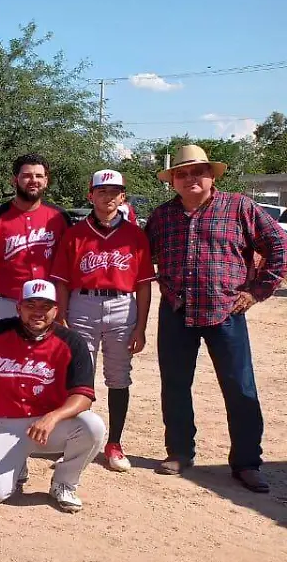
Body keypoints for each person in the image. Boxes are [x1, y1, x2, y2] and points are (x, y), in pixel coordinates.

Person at [145, 144, 287, 493]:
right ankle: (179, 452)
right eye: (182, 173)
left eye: (198, 171)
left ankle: (247, 462)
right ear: (173, 181)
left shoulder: (239, 207)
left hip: (225, 312)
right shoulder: (162, 216)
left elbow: (279, 246)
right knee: (175, 386)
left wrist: (257, 291)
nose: (190, 178)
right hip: (176, 310)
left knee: (240, 387)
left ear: (211, 176)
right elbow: (140, 257)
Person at [50, 169, 154, 473]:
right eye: (101, 191)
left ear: (123, 197)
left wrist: (141, 326)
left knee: (119, 376)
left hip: (122, 305)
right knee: (80, 375)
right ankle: (74, 443)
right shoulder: (75, 234)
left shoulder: (135, 235)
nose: (108, 197)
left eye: (114, 192)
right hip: (83, 304)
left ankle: (115, 443)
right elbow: (62, 282)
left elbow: (144, 285)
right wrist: (62, 317)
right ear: (90, 195)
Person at [0, 279, 105, 513]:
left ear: (56, 310)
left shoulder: (71, 341)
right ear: (18, 308)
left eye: (45, 306)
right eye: (31, 305)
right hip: (4, 425)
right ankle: (18, 465)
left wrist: (53, 417)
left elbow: (83, 395)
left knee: (92, 426)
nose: (38, 312)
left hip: (47, 427)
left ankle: (64, 483)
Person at [0, 153, 71, 322]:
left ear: (46, 181)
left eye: (39, 176)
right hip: (6, 303)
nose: (33, 180)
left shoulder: (59, 217)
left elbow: (70, 262)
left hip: (48, 303)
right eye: (27, 176)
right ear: (14, 180)